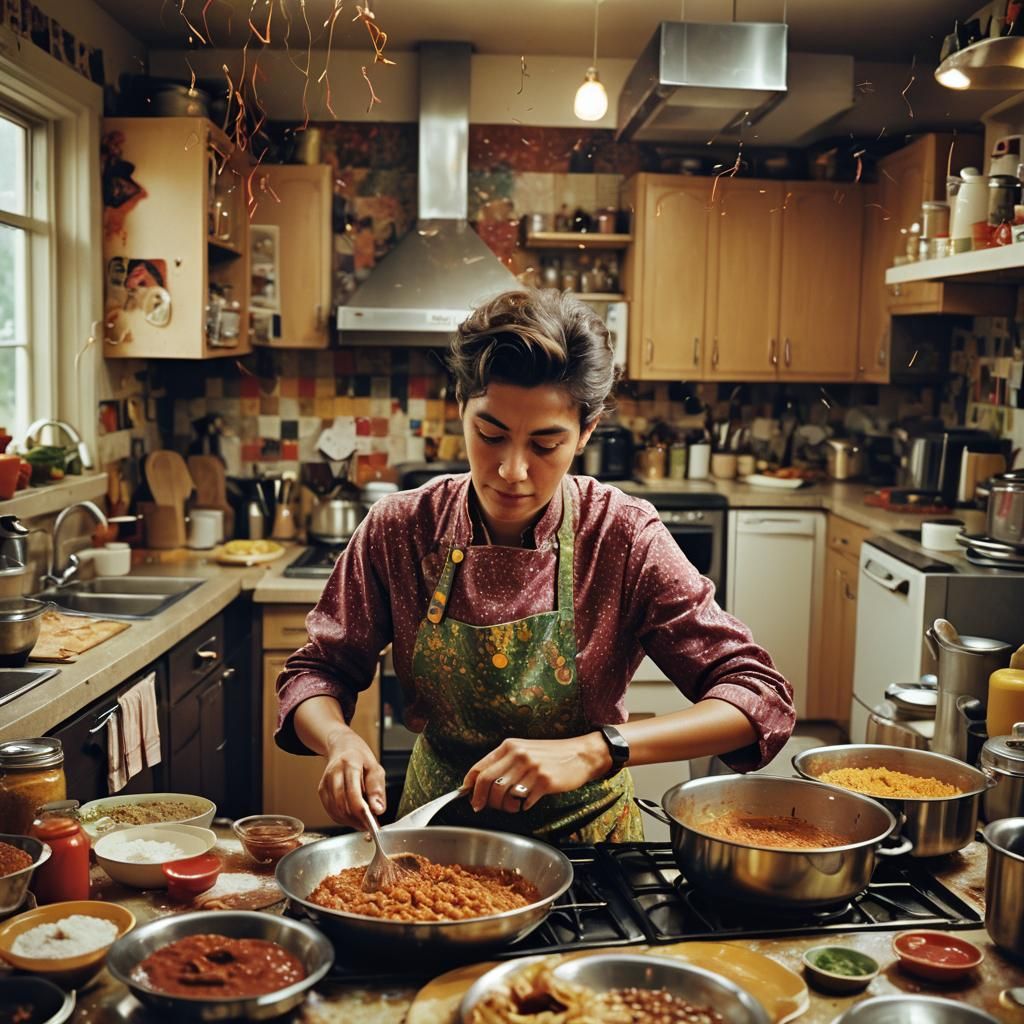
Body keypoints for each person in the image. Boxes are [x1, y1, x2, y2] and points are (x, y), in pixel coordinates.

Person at [276, 289, 795, 843]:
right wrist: (338, 739)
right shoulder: (401, 527)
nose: (512, 471)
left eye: (546, 444)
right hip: (436, 841)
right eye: (490, 434)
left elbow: (758, 696)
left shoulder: (621, 535)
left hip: (592, 850)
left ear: (586, 433)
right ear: (461, 407)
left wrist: (601, 748)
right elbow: (316, 672)